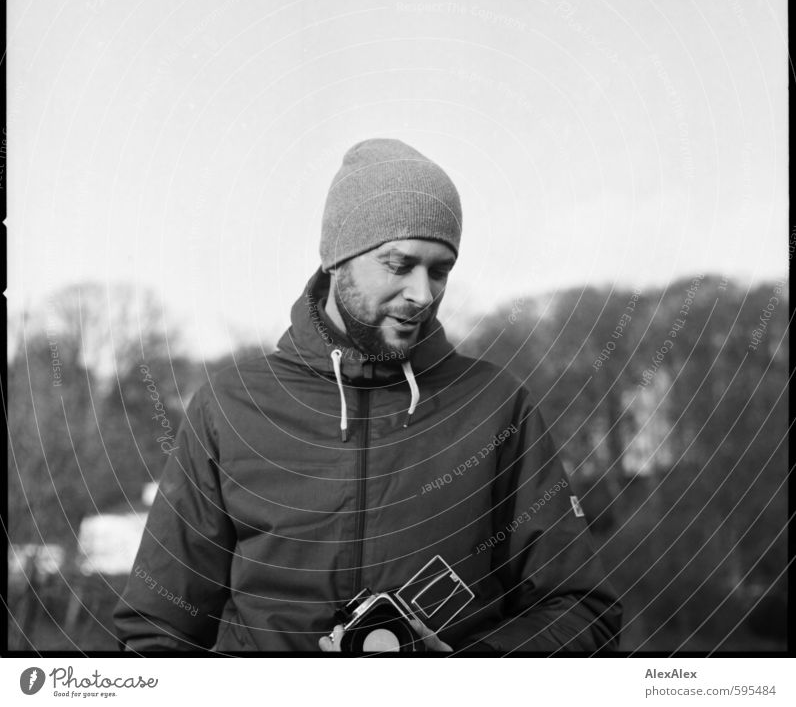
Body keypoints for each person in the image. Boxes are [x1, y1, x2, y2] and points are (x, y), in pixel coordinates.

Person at [113, 138, 622, 654]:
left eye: (440, 269)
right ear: (338, 260)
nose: (423, 294)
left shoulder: (495, 405)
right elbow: (157, 633)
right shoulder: (230, 406)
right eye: (400, 265)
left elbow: (582, 610)